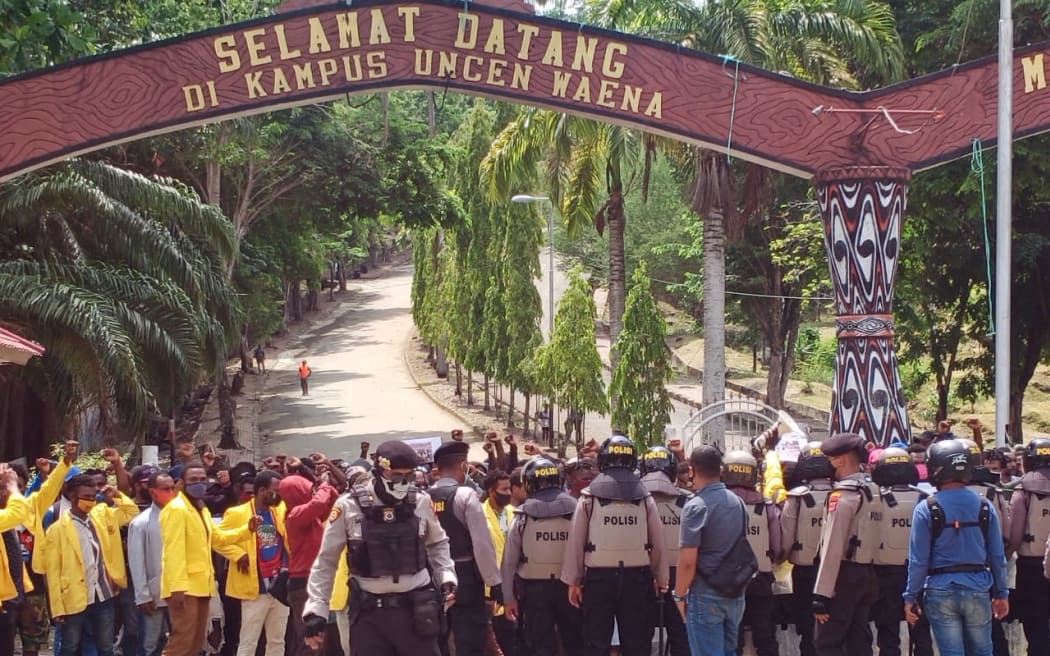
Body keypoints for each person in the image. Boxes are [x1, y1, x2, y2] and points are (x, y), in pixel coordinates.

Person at [301, 439, 457, 656]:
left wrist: (446, 577)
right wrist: (317, 608)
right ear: (379, 472)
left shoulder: (421, 502)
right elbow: (326, 561)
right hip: (369, 614)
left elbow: (438, 543)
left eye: (409, 476)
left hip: (416, 611)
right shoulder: (349, 506)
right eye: (396, 476)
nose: (403, 483)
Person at [562, 435, 668, 656]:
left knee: (596, 641)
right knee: (636, 642)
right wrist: (661, 577)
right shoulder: (643, 496)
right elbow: (658, 541)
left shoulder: (589, 497)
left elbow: (576, 541)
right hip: (637, 578)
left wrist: (573, 580)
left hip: (598, 579)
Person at [904, 439, 1010, 656]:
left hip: (940, 590)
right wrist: (1001, 593)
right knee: (982, 651)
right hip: (978, 587)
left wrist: (910, 597)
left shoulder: (926, 508)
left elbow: (918, 560)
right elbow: (998, 556)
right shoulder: (984, 505)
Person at [44, 473, 139, 656]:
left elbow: (131, 512)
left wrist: (118, 495)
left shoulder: (102, 515)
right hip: (73, 599)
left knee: (105, 646)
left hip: (103, 596)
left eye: (93, 497)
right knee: (70, 647)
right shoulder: (57, 530)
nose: (90, 501)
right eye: (86, 497)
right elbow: (53, 572)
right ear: (72, 496)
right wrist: (57, 608)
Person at [428, 440, 503, 656]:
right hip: (465, 576)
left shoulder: (424, 497)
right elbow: (482, 544)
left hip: (434, 577)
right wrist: (494, 581)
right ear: (463, 465)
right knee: (470, 638)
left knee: (440, 638)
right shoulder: (465, 495)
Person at [672, 445, 748, 656]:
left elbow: (688, 561)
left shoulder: (695, 506)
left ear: (692, 471)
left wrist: (679, 596)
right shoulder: (738, 503)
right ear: (720, 470)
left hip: (705, 595)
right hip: (735, 594)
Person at [502, 458, 581, 656]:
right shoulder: (577, 509)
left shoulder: (522, 516)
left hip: (535, 592)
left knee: (541, 646)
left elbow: (509, 561)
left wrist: (508, 597)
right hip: (571, 588)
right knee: (575, 642)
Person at [810, 433, 880, 656]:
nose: (829, 465)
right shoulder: (873, 490)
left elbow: (833, 545)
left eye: (831, 460)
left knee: (827, 643)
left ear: (840, 460)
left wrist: (822, 594)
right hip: (867, 574)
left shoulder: (843, 495)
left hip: (842, 577)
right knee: (859, 640)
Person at [212, 470, 289, 656]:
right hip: (255, 588)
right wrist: (238, 554)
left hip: (279, 585)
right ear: (262, 490)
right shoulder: (237, 513)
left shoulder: (279, 511)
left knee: (277, 640)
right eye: (275, 491)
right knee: (248, 640)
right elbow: (215, 539)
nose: (278, 495)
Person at [869, 447, 932, 656]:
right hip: (919, 574)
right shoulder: (925, 499)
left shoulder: (874, 499)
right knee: (921, 632)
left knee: (888, 634)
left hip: (884, 574)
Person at [722, 450, 781, 656]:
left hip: (727, 580)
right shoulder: (766, 505)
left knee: (732, 635)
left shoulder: (718, 503)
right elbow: (777, 546)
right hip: (760, 577)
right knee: (765, 634)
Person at [780, 441, 834, 656]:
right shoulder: (845, 493)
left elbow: (785, 539)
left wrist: (780, 558)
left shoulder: (797, 497)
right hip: (837, 572)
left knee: (807, 625)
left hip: (805, 571)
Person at [279, 470, 339, 656]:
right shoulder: (295, 515)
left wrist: (326, 486)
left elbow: (332, 501)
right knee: (310, 640)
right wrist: (324, 484)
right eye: (308, 489)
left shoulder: (311, 518)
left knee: (324, 639)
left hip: (316, 580)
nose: (312, 492)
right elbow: (320, 501)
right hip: (303, 582)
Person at [160, 462, 216, 656]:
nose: (199, 483)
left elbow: (217, 538)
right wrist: (177, 588)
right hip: (184, 588)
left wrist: (246, 530)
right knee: (181, 642)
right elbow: (173, 550)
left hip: (201, 585)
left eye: (203, 479)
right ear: (182, 483)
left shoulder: (201, 508)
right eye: (193, 480)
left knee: (195, 642)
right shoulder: (177, 509)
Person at [639, 446, 690, 656]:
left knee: (639, 636)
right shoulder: (689, 500)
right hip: (680, 576)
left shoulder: (632, 499)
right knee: (680, 634)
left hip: (641, 574)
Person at [1005, 437, 1050, 656]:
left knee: (1035, 622)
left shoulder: (1023, 489)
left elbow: (1014, 537)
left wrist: (1002, 559)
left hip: (1032, 567)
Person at [129, 472, 176, 656]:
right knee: (150, 644)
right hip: (154, 594)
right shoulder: (141, 522)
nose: (171, 492)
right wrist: (143, 596)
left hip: (179, 593)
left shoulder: (181, 516)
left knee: (178, 641)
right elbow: (136, 561)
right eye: (166, 489)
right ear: (153, 492)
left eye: (173, 488)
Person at [482, 469, 515, 656]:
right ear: (491, 491)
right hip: (490, 589)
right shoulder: (478, 514)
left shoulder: (514, 512)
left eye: (510, 488)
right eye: (504, 489)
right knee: (493, 642)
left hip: (513, 586)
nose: (509, 493)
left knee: (513, 636)